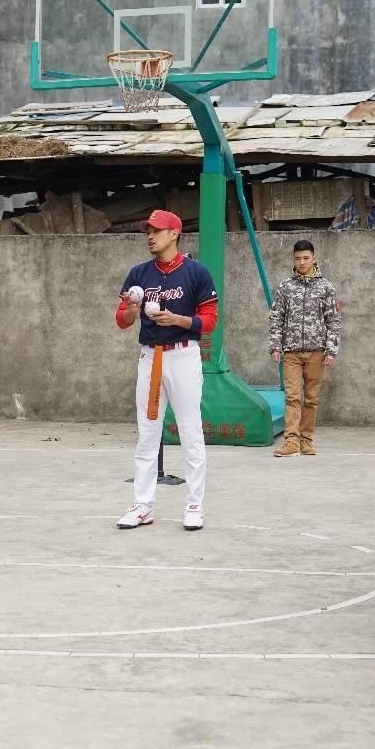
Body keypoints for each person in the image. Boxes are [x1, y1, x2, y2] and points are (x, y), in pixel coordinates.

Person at [114, 210, 218, 531]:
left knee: (190, 432)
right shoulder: (138, 273)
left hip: (184, 355)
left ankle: (194, 505)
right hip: (150, 356)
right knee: (147, 434)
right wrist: (131, 310)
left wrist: (178, 320)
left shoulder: (197, 273)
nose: (150, 235)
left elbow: (210, 321)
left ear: (174, 233)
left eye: (157, 230)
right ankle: (143, 505)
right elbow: (122, 321)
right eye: (148, 230)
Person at [267, 239, 342, 457]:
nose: (301, 262)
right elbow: (276, 317)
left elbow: (333, 320)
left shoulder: (326, 287)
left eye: (306, 258)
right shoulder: (285, 287)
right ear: (293, 259)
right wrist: (275, 346)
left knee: (311, 398)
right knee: (292, 397)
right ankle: (291, 442)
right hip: (290, 352)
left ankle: (306, 440)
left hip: (317, 352)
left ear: (314, 258)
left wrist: (331, 350)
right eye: (298, 258)